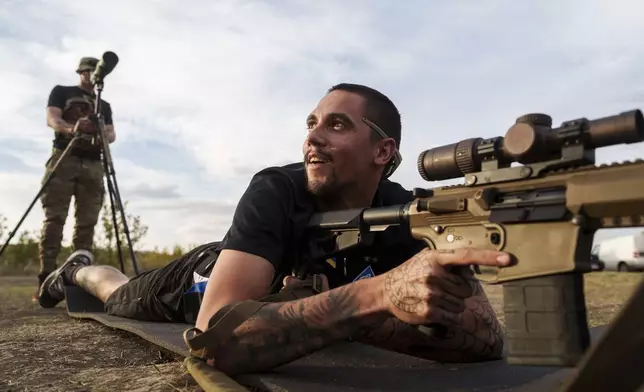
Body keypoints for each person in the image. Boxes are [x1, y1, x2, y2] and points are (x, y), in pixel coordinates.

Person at [37, 83, 509, 376]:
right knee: (120, 295)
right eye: (311, 123)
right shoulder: (276, 189)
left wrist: (335, 311)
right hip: (199, 278)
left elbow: (485, 343)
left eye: (337, 124)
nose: (312, 137)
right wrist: (375, 297)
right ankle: (78, 271)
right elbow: (212, 340)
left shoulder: (404, 211)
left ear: (382, 152)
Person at [35, 56, 116, 300]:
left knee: (87, 223)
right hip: (65, 157)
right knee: (55, 218)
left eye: (95, 71)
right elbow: (53, 119)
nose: (91, 75)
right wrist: (73, 128)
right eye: (87, 71)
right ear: (80, 72)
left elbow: (111, 134)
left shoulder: (104, 105)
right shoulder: (62, 92)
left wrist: (99, 129)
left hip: (93, 163)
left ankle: (78, 279)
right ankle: (45, 278)